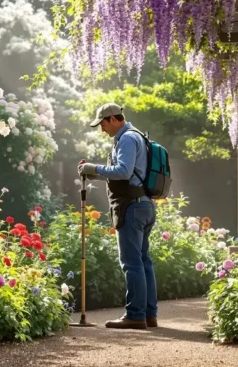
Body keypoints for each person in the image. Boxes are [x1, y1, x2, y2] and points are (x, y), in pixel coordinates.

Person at [78, 103, 158, 329]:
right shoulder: (136, 136)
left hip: (132, 207)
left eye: (103, 123)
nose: (102, 129)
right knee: (143, 262)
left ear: (113, 118)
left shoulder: (127, 139)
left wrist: (94, 168)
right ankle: (149, 315)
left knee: (132, 263)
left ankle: (135, 315)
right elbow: (128, 174)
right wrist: (96, 174)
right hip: (143, 204)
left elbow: (123, 171)